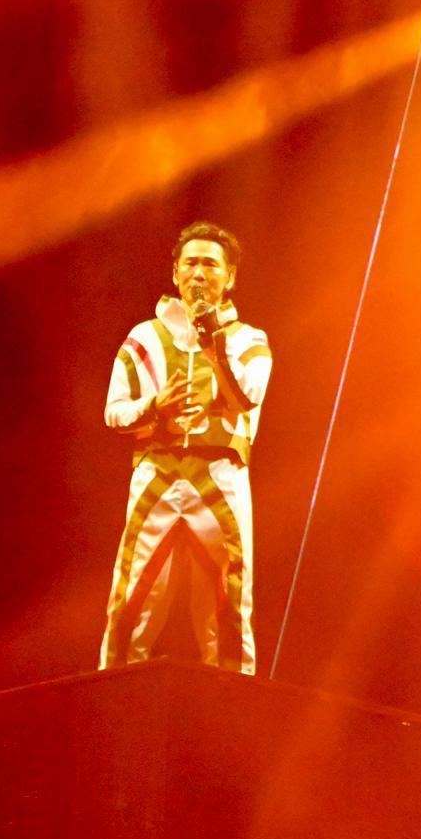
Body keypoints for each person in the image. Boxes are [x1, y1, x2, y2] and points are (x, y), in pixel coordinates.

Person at [99, 222, 272, 674]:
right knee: (131, 597)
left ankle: (233, 704)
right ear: (175, 273)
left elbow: (245, 397)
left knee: (230, 601)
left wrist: (213, 340)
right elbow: (113, 412)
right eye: (191, 263)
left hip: (220, 475)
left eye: (210, 265)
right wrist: (154, 407)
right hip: (157, 470)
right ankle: (114, 695)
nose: (199, 273)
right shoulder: (143, 338)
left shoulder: (250, 340)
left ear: (229, 277)